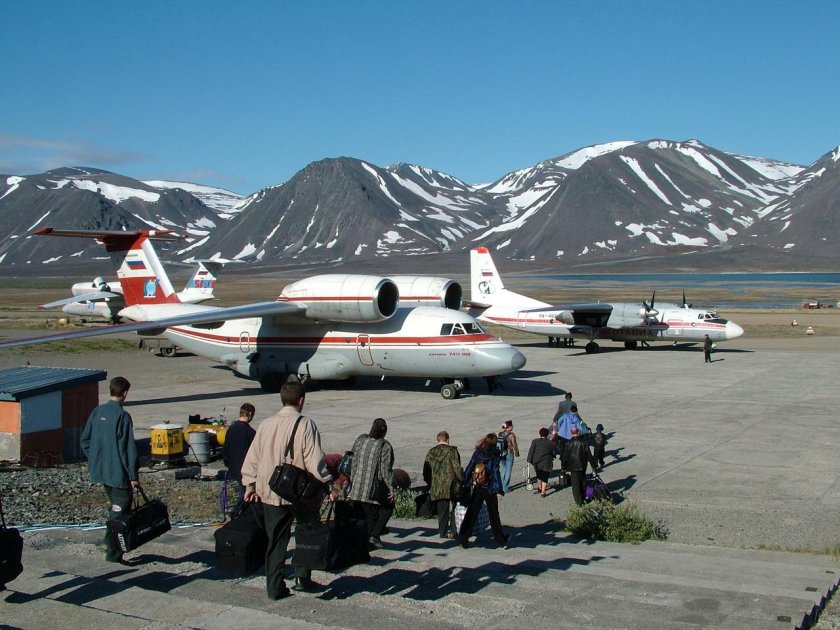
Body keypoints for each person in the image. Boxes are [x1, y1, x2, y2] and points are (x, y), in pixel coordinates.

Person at [240, 381, 333, 599]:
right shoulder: (305, 424)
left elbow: (253, 457)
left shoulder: (266, 424)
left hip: (271, 491)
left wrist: (249, 484)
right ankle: (302, 577)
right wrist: (328, 483)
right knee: (306, 533)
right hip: (298, 493)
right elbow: (315, 461)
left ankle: (274, 586)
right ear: (301, 401)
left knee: (276, 540)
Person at [80, 376, 140, 564]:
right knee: (119, 513)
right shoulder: (123, 416)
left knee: (115, 508)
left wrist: (96, 459)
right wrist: (133, 475)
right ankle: (113, 552)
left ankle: (109, 543)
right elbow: (128, 449)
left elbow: (85, 440)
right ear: (125, 393)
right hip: (118, 474)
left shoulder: (98, 411)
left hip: (102, 472)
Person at [348, 417, 395, 549]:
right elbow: (385, 470)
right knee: (386, 508)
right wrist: (391, 488)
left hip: (357, 486)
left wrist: (352, 480)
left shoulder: (360, 441)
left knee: (360, 516)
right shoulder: (384, 446)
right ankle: (373, 536)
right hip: (372, 489)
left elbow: (354, 461)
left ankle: (360, 541)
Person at [459, 433, 510, 549]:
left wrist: (465, 481)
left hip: (478, 486)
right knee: (493, 515)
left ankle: (464, 537)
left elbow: (470, 466)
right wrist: (499, 490)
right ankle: (501, 540)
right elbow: (496, 472)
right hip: (490, 488)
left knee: (471, 512)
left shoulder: (478, 452)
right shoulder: (495, 454)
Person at [423, 431, 464, 538]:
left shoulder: (431, 452)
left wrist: (430, 483)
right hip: (452, 485)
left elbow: (426, 471)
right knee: (455, 507)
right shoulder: (452, 451)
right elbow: (457, 468)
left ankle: (443, 531)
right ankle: (454, 530)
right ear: (448, 440)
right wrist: (462, 480)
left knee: (442, 510)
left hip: (437, 485)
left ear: (437, 440)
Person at [221, 402, 256, 518]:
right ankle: (236, 513)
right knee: (245, 494)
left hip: (233, 468)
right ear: (250, 414)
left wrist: (228, 463)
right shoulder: (250, 432)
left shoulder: (231, 429)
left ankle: (238, 512)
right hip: (245, 470)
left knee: (240, 492)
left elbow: (226, 448)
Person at [561, 427, 598, 506]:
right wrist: (593, 466)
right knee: (583, 482)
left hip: (573, 466)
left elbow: (564, 456)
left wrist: (563, 466)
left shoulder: (568, 443)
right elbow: (589, 455)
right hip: (582, 465)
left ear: (571, 432)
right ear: (578, 432)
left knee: (575, 485)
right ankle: (583, 498)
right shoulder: (583, 442)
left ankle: (578, 501)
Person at [526, 427, 561, 497]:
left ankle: (539, 487)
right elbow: (555, 452)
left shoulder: (535, 441)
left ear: (540, 434)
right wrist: (553, 456)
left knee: (539, 475)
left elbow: (531, 451)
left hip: (536, 461)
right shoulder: (551, 443)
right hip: (546, 461)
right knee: (545, 476)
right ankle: (543, 491)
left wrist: (529, 459)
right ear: (547, 434)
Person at [497, 420, 520, 493]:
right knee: (508, 470)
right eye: (512, 426)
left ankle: (500, 486)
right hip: (509, 453)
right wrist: (517, 453)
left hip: (501, 454)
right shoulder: (511, 435)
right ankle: (505, 488)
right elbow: (514, 445)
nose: (513, 427)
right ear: (509, 427)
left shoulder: (500, 434)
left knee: (503, 469)